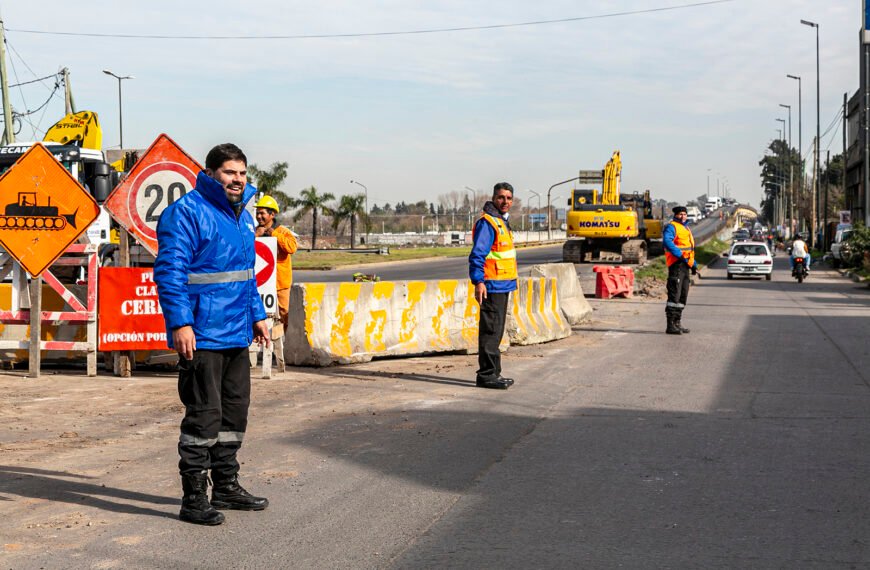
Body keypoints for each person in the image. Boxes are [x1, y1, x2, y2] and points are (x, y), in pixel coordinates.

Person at [155, 143, 271, 526]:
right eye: (229, 172)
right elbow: (170, 273)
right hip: (201, 334)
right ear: (210, 173)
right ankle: (194, 499)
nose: (237, 179)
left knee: (234, 413)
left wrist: (258, 315)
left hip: (237, 332)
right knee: (204, 417)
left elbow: (244, 275)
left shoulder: (241, 216)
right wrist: (180, 323)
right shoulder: (185, 213)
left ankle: (226, 486)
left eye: (241, 173)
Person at [468, 182, 517, 389]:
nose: (504, 201)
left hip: (502, 285)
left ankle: (494, 373)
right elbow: (477, 255)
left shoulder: (501, 221)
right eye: (500, 197)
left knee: (496, 332)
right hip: (490, 285)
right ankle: (487, 375)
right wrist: (479, 281)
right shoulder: (488, 222)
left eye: (508, 198)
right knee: (489, 331)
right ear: (493, 198)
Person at [254, 195, 298, 371]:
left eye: (262, 213)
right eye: (257, 213)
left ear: (272, 214)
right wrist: (255, 236)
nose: (259, 217)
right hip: (259, 284)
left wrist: (274, 235)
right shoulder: (253, 231)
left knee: (281, 317)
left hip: (280, 284)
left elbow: (291, 247)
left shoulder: (282, 231)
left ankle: (275, 350)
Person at [662, 206, 699, 335]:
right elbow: (667, 241)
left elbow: (689, 248)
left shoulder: (686, 228)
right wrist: (680, 255)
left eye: (685, 214)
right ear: (676, 215)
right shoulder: (672, 226)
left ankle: (677, 323)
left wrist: (693, 264)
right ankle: (670, 325)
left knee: (683, 295)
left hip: (685, 265)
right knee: (674, 296)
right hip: (676, 264)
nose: (683, 216)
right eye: (680, 214)